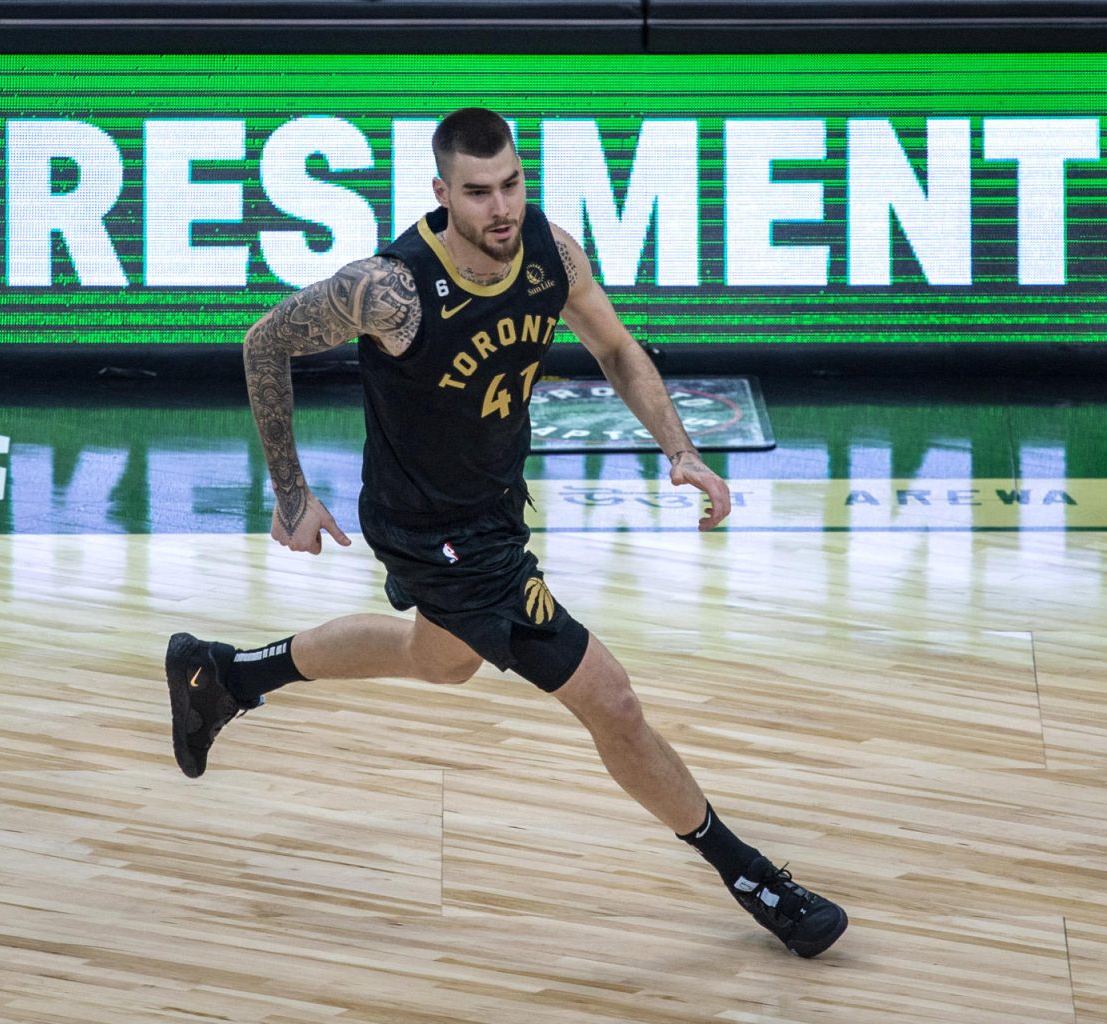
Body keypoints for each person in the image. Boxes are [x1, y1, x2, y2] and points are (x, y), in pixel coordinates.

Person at [164, 107, 847, 957]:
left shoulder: (551, 255)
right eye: (479, 193)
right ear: (442, 193)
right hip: (431, 531)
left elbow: (618, 349)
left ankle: (226, 674)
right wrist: (291, 491)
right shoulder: (393, 288)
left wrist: (683, 452)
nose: (501, 209)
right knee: (614, 703)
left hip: (491, 507)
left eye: (513, 185)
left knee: (438, 661)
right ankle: (753, 879)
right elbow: (264, 341)